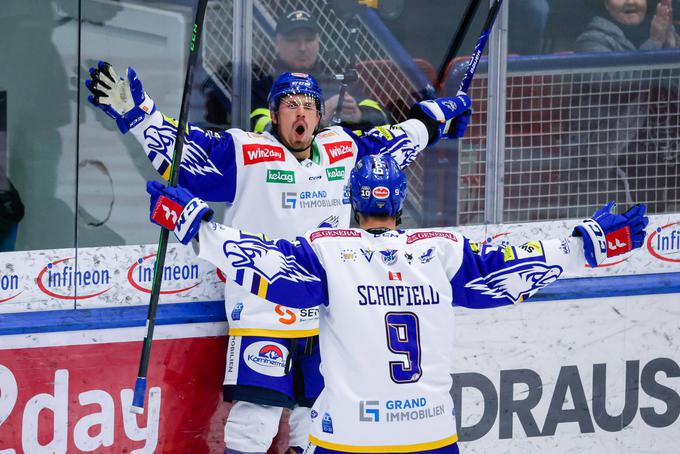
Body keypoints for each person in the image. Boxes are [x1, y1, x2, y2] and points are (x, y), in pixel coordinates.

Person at [146, 153, 648, 453]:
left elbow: (266, 267)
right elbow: (512, 270)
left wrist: (196, 227)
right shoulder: (440, 251)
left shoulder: (329, 249)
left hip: (352, 440)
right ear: (400, 202)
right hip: (429, 435)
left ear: (353, 200)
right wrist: (585, 245)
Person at [86, 63, 471, 453]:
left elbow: (387, 147)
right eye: (290, 105)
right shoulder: (247, 153)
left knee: (318, 418)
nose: (301, 113)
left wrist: (431, 122)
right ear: (273, 115)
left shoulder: (342, 149)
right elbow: (187, 152)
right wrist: (140, 112)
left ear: (320, 115)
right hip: (264, 313)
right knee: (254, 424)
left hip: (328, 320)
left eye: (309, 105)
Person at [204, 9, 390, 131]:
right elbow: (258, 127)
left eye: (308, 40)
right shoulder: (261, 85)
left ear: (319, 42)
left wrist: (359, 114)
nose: (302, 47)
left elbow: (383, 117)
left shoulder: (336, 80)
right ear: (276, 43)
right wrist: (318, 118)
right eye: (293, 40)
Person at [575, 0, 679, 52]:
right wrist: (655, 42)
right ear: (606, 4)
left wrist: (670, 45)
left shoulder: (662, 30)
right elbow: (618, 83)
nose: (631, 2)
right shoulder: (591, 40)